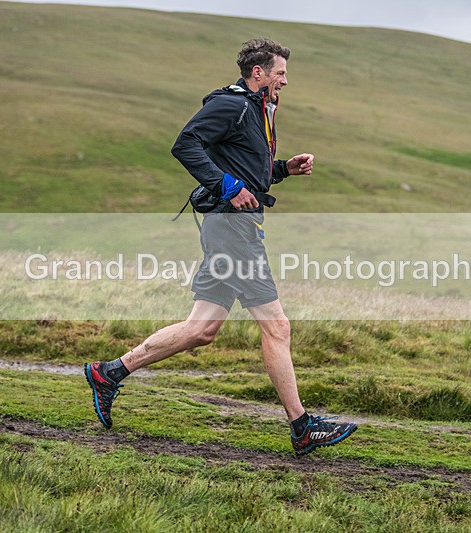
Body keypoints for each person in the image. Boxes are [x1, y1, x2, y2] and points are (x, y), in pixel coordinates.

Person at [85, 38, 357, 455]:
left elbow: (243, 163)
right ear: (259, 73)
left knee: (202, 330)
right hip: (231, 228)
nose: (285, 81)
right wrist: (227, 186)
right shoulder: (231, 104)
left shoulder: (257, 110)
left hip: (234, 227)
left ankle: (109, 373)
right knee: (277, 326)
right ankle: (302, 427)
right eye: (280, 73)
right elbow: (185, 144)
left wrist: (282, 169)